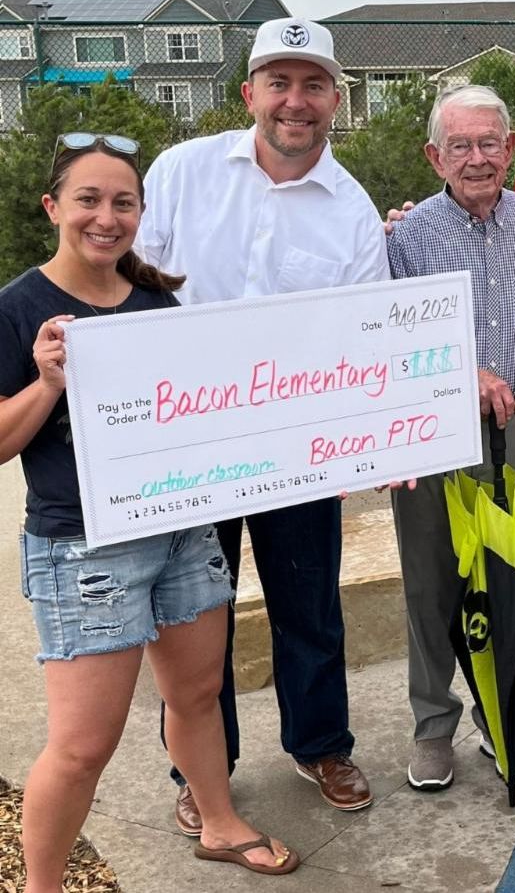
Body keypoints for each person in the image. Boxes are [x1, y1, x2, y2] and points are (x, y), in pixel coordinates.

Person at [0, 133, 299, 892]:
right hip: (85, 550)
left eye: (122, 202)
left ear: (141, 212)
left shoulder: (156, 302)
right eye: (89, 200)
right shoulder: (19, 308)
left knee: (197, 694)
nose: (107, 216)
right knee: (81, 746)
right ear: (53, 208)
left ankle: (219, 822)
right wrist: (47, 383)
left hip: (181, 531)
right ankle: (41, 887)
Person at [135, 17, 389, 830]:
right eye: (279, 82)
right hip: (188, 439)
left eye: (313, 84)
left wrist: (367, 438)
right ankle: (200, 769)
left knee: (307, 600)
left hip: (296, 449)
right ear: (248, 94)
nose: (295, 100)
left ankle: (320, 743)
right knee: (191, 611)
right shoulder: (181, 171)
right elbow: (133, 284)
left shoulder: (351, 210)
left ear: (336, 100)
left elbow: (363, 332)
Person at [386, 84, 515, 791]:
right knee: (433, 584)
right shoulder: (409, 236)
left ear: (511, 147)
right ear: (435, 155)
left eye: (490, 142)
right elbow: (390, 339)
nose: (477, 157)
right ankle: (433, 727)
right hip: (432, 428)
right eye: (460, 145)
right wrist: (467, 371)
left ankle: (503, 716)